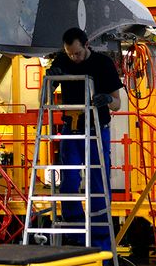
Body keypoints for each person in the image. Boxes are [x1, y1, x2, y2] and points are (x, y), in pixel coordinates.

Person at [45, 27, 123, 254]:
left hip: (97, 130)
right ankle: (76, 238)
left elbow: (117, 103)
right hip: (72, 130)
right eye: (69, 54)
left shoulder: (103, 64)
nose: (74, 58)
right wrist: (51, 78)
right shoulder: (63, 60)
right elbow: (46, 94)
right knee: (68, 183)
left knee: (98, 187)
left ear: (87, 45)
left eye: (77, 53)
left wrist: (107, 98)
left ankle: (101, 249)